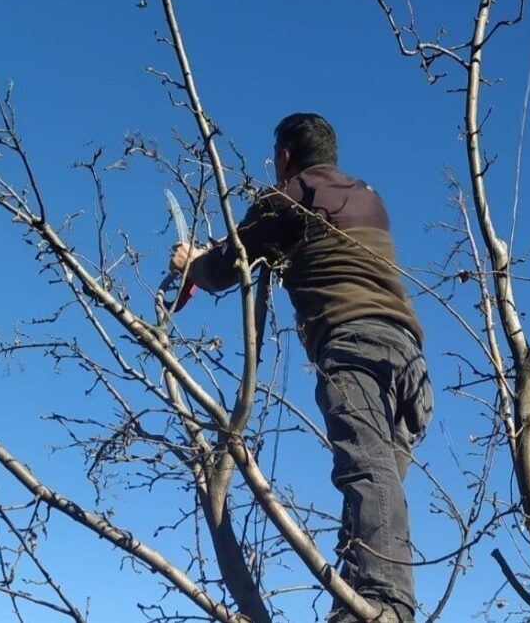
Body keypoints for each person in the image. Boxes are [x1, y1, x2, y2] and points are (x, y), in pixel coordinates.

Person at [170, 113, 432, 622]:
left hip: (354, 347)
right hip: (410, 362)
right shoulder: (368, 196)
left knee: (366, 474)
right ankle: (358, 604)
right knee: (373, 496)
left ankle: (383, 607)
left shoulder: (290, 197)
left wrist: (192, 262)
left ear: (286, 154)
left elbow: (230, 263)